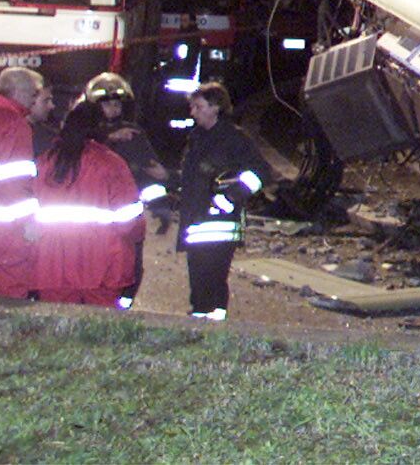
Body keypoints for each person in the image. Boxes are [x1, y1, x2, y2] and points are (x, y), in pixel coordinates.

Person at [33, 100, 144, 306]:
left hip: (54, 263)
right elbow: (130, 222)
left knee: (56, 329)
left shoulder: (45, 162)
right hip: (102, 265)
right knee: (99, 330)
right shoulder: (111, 163)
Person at [175, 82, 266, 321]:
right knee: (199, 282)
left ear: (215, 108)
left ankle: (212, 323)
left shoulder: (235, 139)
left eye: (198, 106)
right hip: (197, 223)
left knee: (213, 280)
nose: (193, 112)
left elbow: (260, 173)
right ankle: (200, 320)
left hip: (220, 225)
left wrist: (230, 197)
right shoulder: (196, 138)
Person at [85, 72, 168, 307]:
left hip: (127, 219)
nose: (112, 109)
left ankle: (120, 309)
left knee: (130, 268)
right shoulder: (83, 135)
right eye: (106, 104)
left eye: (116, 103)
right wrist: (109, 138)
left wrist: (161, 206)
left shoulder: (134, 136)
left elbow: (151, 175)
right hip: (94, 220)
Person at [0, 66, 42, 297]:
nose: (35, 101)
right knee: (6, 307)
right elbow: (15, 182)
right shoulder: (13, 125)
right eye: (34, 95)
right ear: (20, 92)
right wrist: (28, 223)